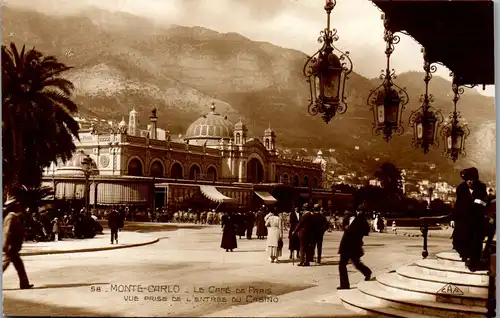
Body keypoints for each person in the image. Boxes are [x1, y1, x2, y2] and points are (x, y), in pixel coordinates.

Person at [451, 167, 488, 270]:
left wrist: (479, 202)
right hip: (463, 219)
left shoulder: (481, 187)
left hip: (476, 219)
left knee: (475, 241)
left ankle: (471, 259)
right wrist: (453, 218)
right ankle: (465, 255)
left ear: (475, 178)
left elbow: (485, 203)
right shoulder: (461, 188)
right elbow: (457, 204)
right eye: (467, 179)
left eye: (471, 179)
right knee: (458, 240)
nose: (469, 182)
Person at [337, 204, 372, 290]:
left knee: (349, 263)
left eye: (346, 211)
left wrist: (349, 230)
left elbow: (364, 231)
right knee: (352, 263)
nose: (345, 213)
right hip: (347, 245)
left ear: (350, 211)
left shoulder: (359, 219)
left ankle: (345, 284)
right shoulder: (347, 219)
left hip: (352, 245)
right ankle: (366, 272)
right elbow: (344, 228)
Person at [3, 197, 34, 289]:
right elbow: (8, 232)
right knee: (4, 265)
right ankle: (24, 284)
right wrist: (8, 245)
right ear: (14, 207)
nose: (19, 207)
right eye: (17, 206)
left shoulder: (13, 216)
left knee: (19, 266)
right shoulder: (11, 217)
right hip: (11, 246)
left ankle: (24, 284)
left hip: (12, 246)